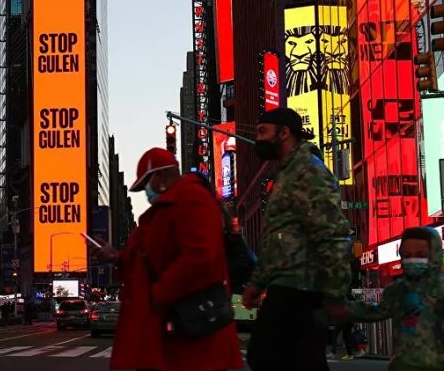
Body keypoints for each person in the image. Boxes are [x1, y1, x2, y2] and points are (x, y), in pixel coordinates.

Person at [91, 148, 243, 371]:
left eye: (145, 185)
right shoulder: (170, 207)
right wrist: (116, 257)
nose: (146, 193)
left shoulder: (191, 198)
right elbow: (150, 259)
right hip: (173, 330)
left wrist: (157, 294)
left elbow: (201, 257)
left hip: (189, 331)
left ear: (159, 177)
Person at [242, 108, 352, 371]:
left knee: (272, 357)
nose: (258, 140)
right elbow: (276, 237)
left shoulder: (308, 171)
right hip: (288, 285)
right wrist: (257, 282)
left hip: (302, 287)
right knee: (286, 359)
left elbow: (333, 233)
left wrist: (336, 293)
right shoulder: (288, 173)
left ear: (284, 133)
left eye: (262, 132)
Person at [349, 227, 444, 370]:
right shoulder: (397, 291)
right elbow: (373, 312)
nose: (412, 260)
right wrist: (339, 308)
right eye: (407, 255)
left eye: (420, 255)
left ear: (434, 255)